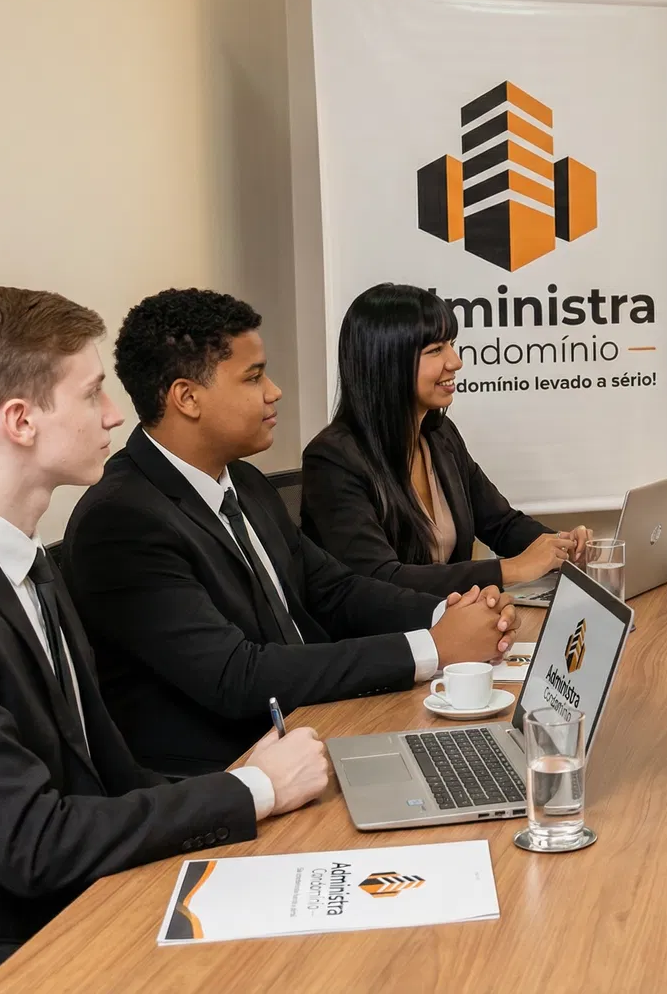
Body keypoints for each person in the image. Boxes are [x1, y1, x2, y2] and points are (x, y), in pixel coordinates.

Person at [0, 287, 331, 991]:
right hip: (8, 954)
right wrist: (252, 789)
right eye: (92, 392)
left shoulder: (24, 563)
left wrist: (242, 784)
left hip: (88, 900)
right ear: (20, 421)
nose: (113, 413)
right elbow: (34, 844)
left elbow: (109, 777)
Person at [64, 289, 515, 777]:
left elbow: (336, 591)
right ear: (187, 397)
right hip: (230, 774)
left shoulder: (244, 481)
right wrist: (433, 647)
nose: (273, 391)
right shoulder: (122, 520)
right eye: (253, 377)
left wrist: (450, 613)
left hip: (314, 727)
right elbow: (236, 676)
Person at [302, 282, 589, 596]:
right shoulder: (332, 459)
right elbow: (379, 579)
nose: (455, 361)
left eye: (450, 344)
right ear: (387, 362)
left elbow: (501, 523)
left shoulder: (440, 435)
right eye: (435, 350)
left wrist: (561, 548)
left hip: (455, 618)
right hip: (393, 628)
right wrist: (510, 569)